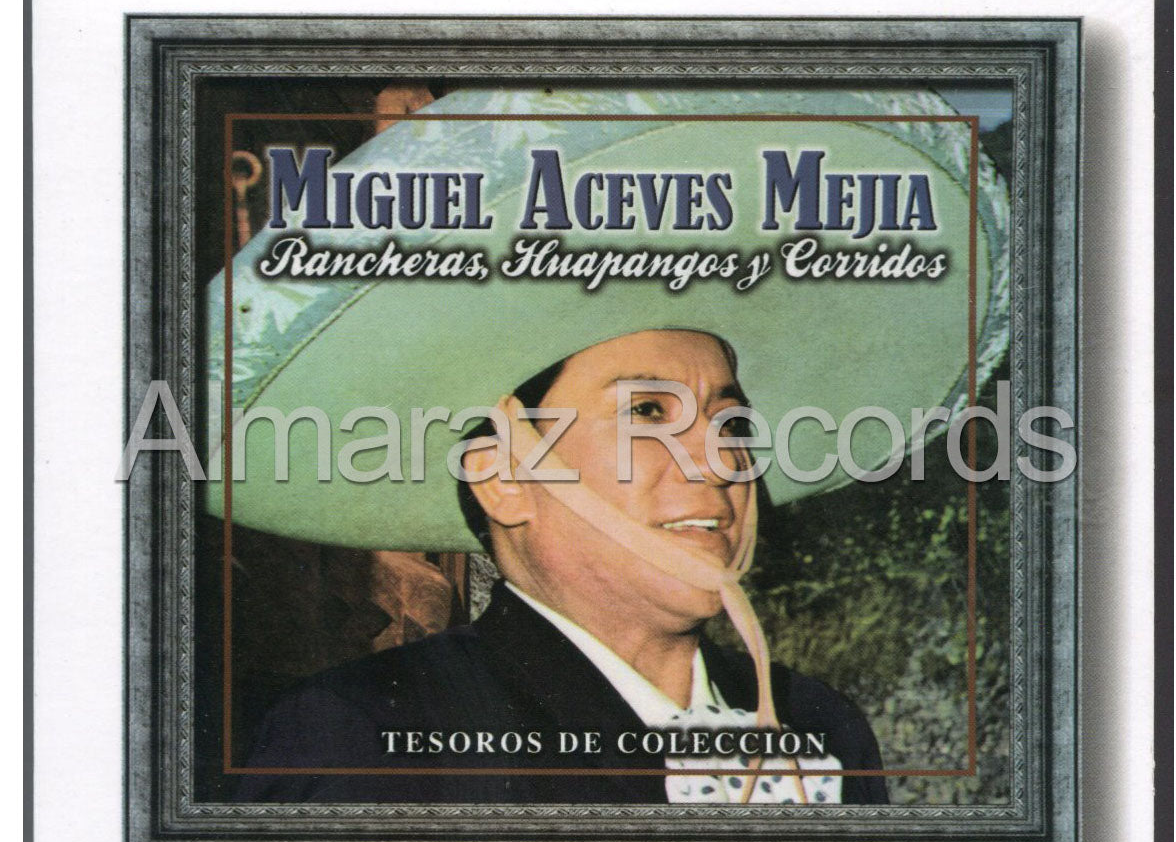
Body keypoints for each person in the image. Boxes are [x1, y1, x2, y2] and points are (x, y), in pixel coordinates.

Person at [237, 329, 888, 804]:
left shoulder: (821, 724)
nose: (719, 461)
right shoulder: (365, 733)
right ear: (505, 480)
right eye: (647, 413)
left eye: (731, 423)